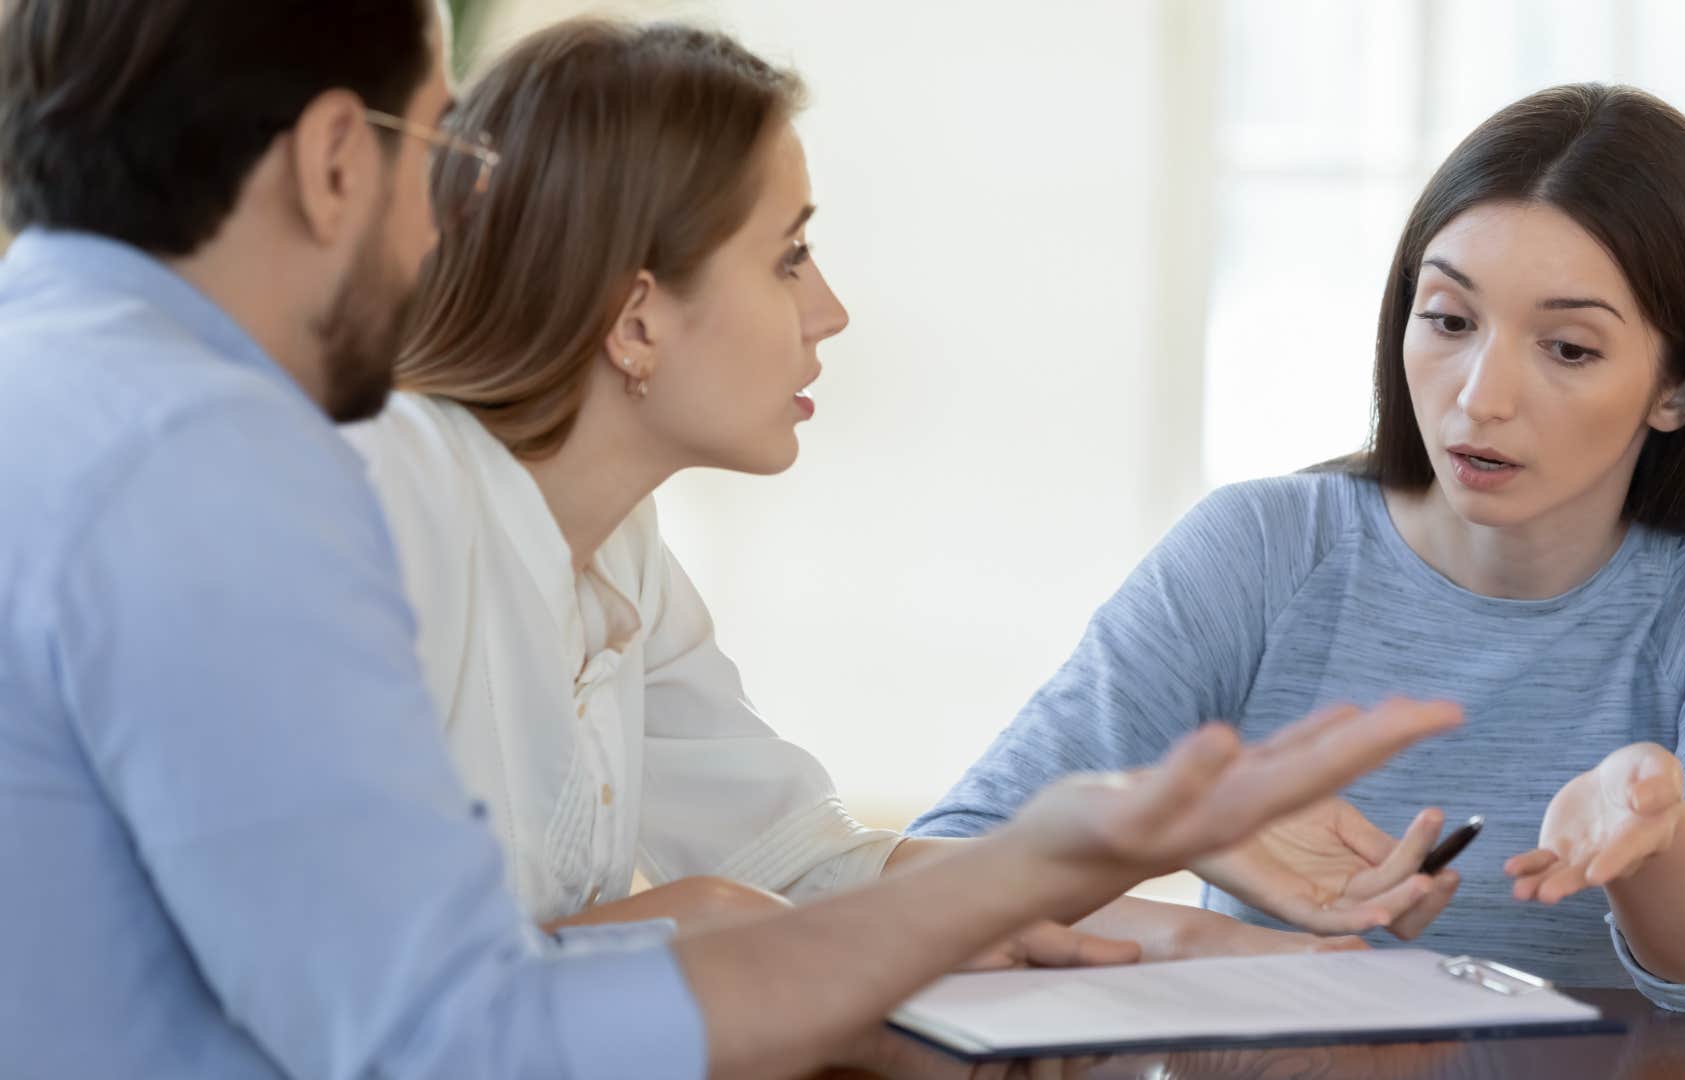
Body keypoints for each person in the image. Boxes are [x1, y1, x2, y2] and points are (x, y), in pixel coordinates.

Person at [0, 2, 1461, 1077]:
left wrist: (1193, 934)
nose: (446, 219)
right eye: (433, 150)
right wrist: (710, 925)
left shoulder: (104, 403)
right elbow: (445, 1029)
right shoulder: (269, 474)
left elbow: (802, 875)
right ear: (334, 161)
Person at [345, 17, 1450, 957]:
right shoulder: (389, 501)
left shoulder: (619, 549)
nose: (828, 311)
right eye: (788, 258)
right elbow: (354, 982)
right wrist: (696, 923)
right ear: (637, 320)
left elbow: (810, 865)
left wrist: (1169, 889)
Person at [911, 83, 1685, 1013]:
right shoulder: (1261, 550)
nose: (1480, 396)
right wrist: (1194, 853)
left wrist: (1656, 842)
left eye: (1568, 348)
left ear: (1676, 388)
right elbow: (936, 872)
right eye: (1449, 320)